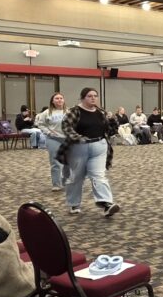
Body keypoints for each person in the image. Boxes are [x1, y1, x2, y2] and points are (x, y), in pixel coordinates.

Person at [58, 88, 120, 217]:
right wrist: (78, 137)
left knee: (98, 175)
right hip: (79, 147)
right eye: (89, 96)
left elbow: (112, 130)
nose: (93, 98)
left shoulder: (101, 112)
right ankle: (73, 203)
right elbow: (66, 127)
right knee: (77, 176)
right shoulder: (74, 111)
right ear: (82, 98)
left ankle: (106, 203)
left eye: (95, 96)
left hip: (99, 146)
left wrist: (112, 119)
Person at [35, 92, 71, 191]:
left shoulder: (69, 112)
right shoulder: (47, 112)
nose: (59, 100)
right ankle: (56, 184)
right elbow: (41, 124)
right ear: (53, 101)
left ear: (64, 100)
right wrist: (48, 132)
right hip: (53, 139)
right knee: (55, 162)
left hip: (67, 139)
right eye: (57, 98)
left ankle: (65, 181)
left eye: (61, 98)